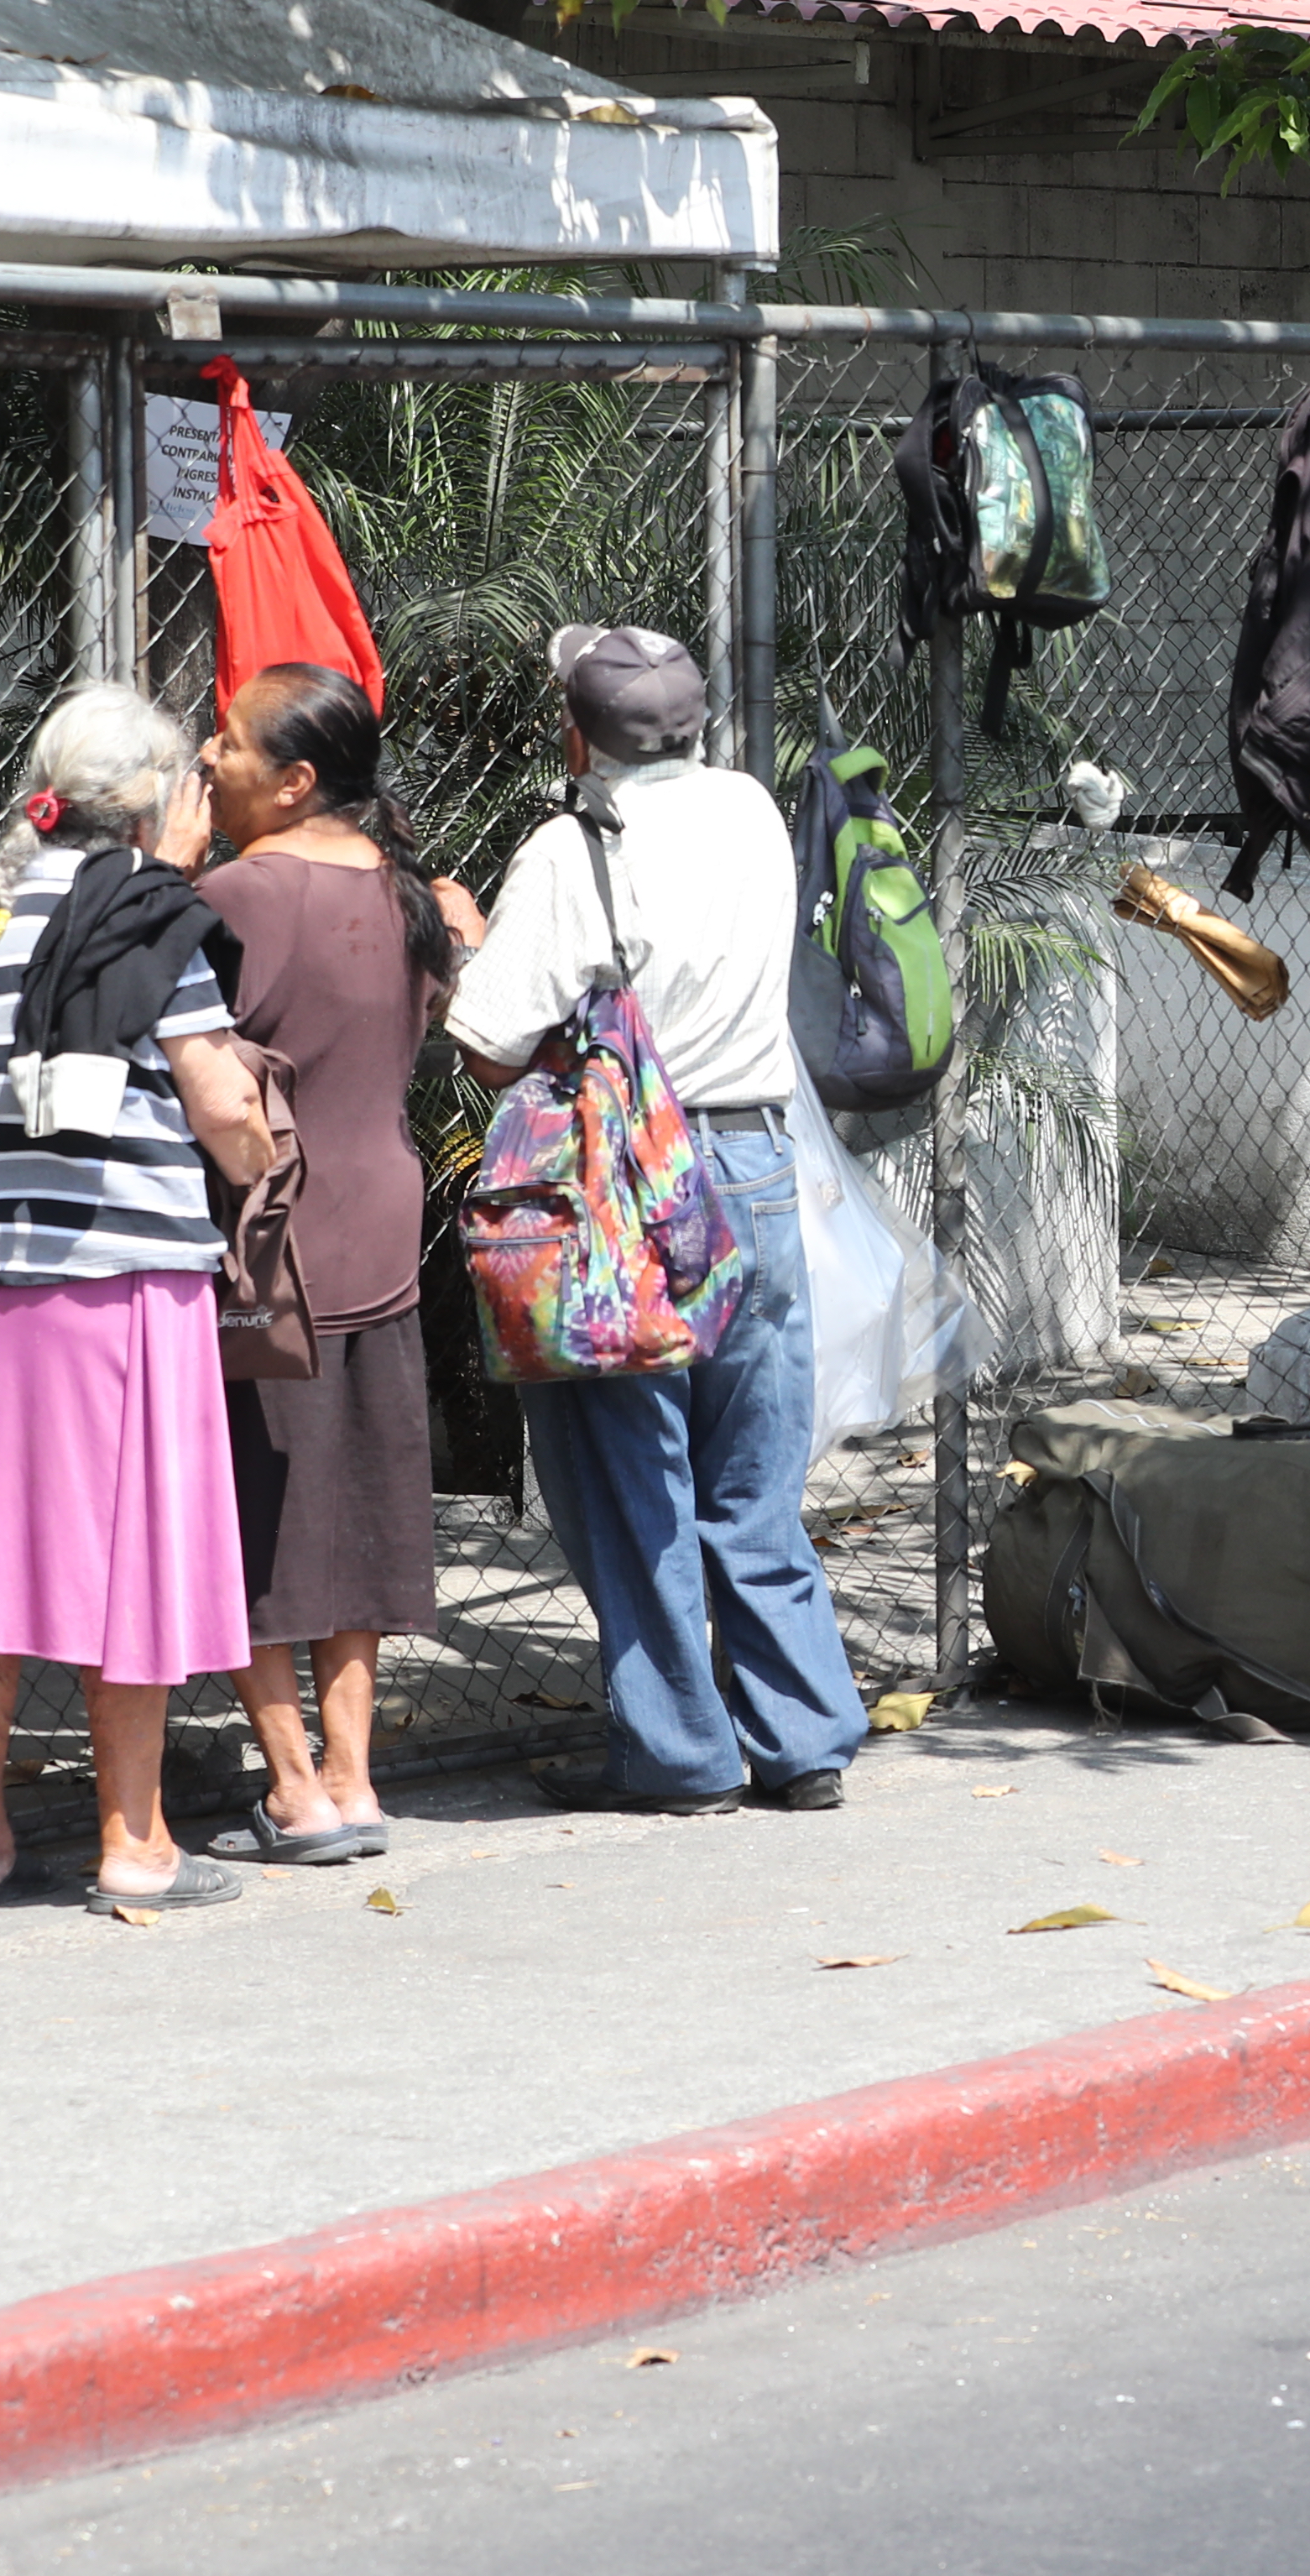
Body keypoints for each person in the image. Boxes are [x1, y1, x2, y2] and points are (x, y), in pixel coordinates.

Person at [451, 625, 868, 1815]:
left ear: (579, 736)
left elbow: (487, 1045)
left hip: (630, 1181)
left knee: (628, 1465)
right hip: (754, 1161)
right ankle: (804, 1739)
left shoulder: (573, 848)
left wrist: (478, 941)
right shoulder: (747, 810)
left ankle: (679, 1753)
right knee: (753, 1472)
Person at [0, 686, 282, 1914]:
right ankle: (136, 1840)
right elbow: (222, 1112)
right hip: (118, 1283)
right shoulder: (147, 923)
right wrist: (265, 1154)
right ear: (159, 800)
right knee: (135, 1560)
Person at [191, 665, 484, 1866]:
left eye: (229, 743)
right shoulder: (416, 890)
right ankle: (357, 1780)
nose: (208, 759)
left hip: (269, 1243)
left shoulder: (238, 895)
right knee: (361, 1497)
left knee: (258, 1509)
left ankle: (296, 1789)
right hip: (383, 1221)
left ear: (297, 778)